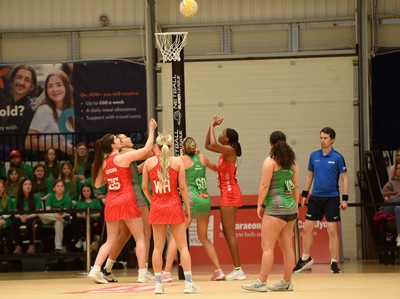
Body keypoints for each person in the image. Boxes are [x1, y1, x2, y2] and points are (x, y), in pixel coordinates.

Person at [87, 118, 157, 284]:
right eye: (117, 140)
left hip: (111, 200)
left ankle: (96, 269)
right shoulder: (123, 158)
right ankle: (142, 273)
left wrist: (110, 177)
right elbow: (147, 148)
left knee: (110, 240)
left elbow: (98, 184)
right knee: (140, 237)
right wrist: (152, 129)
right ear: (113, 146)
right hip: (126, 199)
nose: (119, 140)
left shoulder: (104, 163)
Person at [142, 130, 200, 294]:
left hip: (158, 206)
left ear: (157, 146)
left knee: (158, 248)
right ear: (171, 145)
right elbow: (182, 187)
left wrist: (152, 200)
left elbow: (144, 188)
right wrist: (188, 208)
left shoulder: (149, 163)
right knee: (182, 246)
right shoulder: (177, 162)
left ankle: (158, 284)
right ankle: (189, 284)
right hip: (174, 205)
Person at [241, 131, 299, 292]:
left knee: (267, 247)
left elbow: (264, 185)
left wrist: (259, 205)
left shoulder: (270, 161)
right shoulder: (293, 163)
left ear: (271, 144)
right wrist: (296, 206)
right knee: (287, 247)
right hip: (291, 210)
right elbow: (296, 187)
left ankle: (261, 282)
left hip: (275, 210)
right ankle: (287, 282)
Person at [163, 136, 225, 282]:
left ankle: (166, 272)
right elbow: (217, 169)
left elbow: (167, 164)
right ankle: (219, 270)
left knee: (174, 237)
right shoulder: (202, 158)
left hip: (191, 201)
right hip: (205, 200)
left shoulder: (181, 160)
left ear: (183, 148)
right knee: (204, 237)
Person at [293, 127, 348, 274]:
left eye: (325, 138)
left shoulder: (338, 157)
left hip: (332, 198)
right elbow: (309, 176)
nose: (322, 140)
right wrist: (304, 195)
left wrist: (345, 199)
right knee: (307, 227)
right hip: (315, 197)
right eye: (321, 138)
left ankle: (334, 263)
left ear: (332, 140)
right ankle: (305, 258)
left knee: (331, 230)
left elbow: (345, 178)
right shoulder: (314, 156)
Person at [204, 114, 245, 281]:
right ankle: (237, 269)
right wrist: (210, 127)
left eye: (222, 132)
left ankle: (238, 270)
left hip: (231, 193)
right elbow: (207, 145)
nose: (220, 134)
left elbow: (212, 143)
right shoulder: (225, 151)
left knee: (230, 233)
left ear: (227, 139)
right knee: (228, 233)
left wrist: (212, 125)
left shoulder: (230, 150)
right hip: (227, 192)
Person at [25, 70, 75, 156]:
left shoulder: (74, 110)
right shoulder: (45, 110)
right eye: (50, 86)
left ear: (67, 87)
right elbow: (28, 143)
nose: (55, 89)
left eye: (59, 85)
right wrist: (59, 146)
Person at [0, 65, 37, 152]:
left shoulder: (31, 109)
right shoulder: (4, 105)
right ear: (12, 80)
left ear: (32, 86)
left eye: (27, 80)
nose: (21, 82)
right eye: (18, 77)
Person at [38, 179, 73, 253]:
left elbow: (64, 212)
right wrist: (56, 214)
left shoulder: (67, 198)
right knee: (40, 213)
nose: (60, 188)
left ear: (64, 188)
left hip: (64, 218)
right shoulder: (50, 196)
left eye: (62, 186)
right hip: (53, 216)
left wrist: (58, 215)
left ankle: (58, 248)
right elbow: (48, 210)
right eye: (58, 186)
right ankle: (58, 247)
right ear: (54, 188)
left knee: (59, 222)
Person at [11, 177, 43, 255]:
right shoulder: (18, 197)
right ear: (22, 187)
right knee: (14, 222)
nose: (28, 186)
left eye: (30, 184)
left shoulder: (36, 197)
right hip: (21, 217)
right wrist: (20, 217)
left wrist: (27, 217)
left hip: (32, 217)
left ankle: (31, 245)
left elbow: (37, 212)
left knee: (29, 222)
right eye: (25, 184)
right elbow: (15, 213)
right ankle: (18, 246)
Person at [72, 183, 103, 251]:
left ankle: (84, 241)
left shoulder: (96, 201)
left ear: (91, 191)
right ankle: (83, 239)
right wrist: (83, 215)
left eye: (88, 190)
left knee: (88, 222)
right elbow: (77, 214)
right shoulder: (79, 202)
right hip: (82, 218)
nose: (86, 193)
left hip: (92, 219)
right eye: (84, 191)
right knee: (75, 221)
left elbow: (99, 214)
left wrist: (90, 215)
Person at [381, 163, 400, 247]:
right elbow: (385, 197)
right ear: (396, 171)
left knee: (398, 208)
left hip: (397, 207)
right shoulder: (391, 183)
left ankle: (399, 236)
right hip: (390, 206)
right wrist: (396, 196)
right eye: (398, 169)